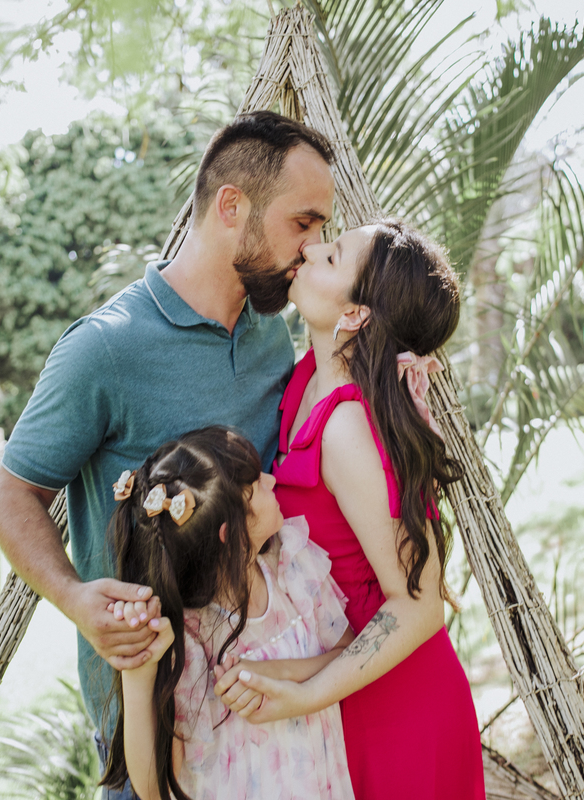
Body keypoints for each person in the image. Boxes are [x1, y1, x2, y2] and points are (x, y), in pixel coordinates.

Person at [0, 110, 336, 797]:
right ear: (232, 207)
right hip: (153, 734)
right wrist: (75, 598)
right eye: (303, 222)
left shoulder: (271, 334)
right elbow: (11, 495)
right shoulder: (104, 348)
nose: (313, 246)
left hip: (259, 717)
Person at [213, 220, 486, 799]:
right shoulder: (305, 381)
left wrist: (305, 693)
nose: (311, 249)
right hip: (344, 688)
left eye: (332, 256)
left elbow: (418, 608)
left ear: (356, 314)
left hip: (397, 708)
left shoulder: (347, 429)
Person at [103, 427, 356, 800]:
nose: (272, 480)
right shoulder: (189, 639)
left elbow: (349, 652)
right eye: (257, 485)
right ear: (231, 534)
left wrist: (280, 673)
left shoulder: (293, 563)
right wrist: (137, 672)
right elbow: (155, 788)